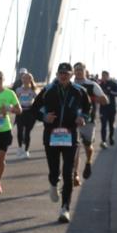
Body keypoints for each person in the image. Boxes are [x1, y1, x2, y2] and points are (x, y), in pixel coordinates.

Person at [34, 62, 91, 223]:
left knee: (68, 172)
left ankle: (65, 208)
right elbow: (35, 109)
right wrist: (44, 117)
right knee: (54, 171)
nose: (63, 76)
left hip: (70, 136)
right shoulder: (47, 90)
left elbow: (88, 109)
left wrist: (83, 118)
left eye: (66, 73)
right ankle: (53, 183)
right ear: (57, 75)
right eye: (61, 73)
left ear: (72, 75)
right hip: (51, 136)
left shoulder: (80, 91)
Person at [72, 62, 108, 184]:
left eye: (80, 69)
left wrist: (90, 98)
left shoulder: (92, 85)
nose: (78, 72)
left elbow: (105, 100)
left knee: (88, 146)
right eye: (76, 70)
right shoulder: (69, 85)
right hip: (72, 122)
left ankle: (88, 162)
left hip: (88, 121)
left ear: (85, 71)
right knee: (74, 148)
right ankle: (75, 175)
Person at [14, 71, 38, 158]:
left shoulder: (33, 90)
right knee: (20, 131)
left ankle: (26, 150)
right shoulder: (18, 90)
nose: (25, 80)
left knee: (27, 132)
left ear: (30, 80)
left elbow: (38, 101)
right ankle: (20, 147)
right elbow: (15, 101)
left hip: (29, 113)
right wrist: (15, 108)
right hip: (21, 112)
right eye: (24, 78)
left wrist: (35, 108)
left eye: (27, 78)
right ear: (22, 80)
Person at [98, 70, 117, 148]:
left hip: (111, 108)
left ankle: (111, 137)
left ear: (108, 76)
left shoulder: (113, 84)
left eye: (105, 76)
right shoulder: (99, 85)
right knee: (103, 125)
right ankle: (103, 141)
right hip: (103, 108)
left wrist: (111, 92)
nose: (103, 77)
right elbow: (96, 96)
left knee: (111, 125)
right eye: (102, 76)